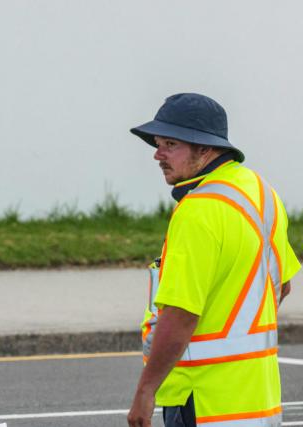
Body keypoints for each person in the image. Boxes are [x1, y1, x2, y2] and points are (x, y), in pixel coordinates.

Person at [126, 93, 300, 427]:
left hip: (202, 402)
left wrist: (145, 391)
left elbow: (180, 316)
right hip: (256, 400)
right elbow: (283, 284)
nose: (157, 155)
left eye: (170, 144)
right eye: (158, 143)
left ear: (205, 150)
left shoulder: (196, 212)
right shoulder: (261, 192)